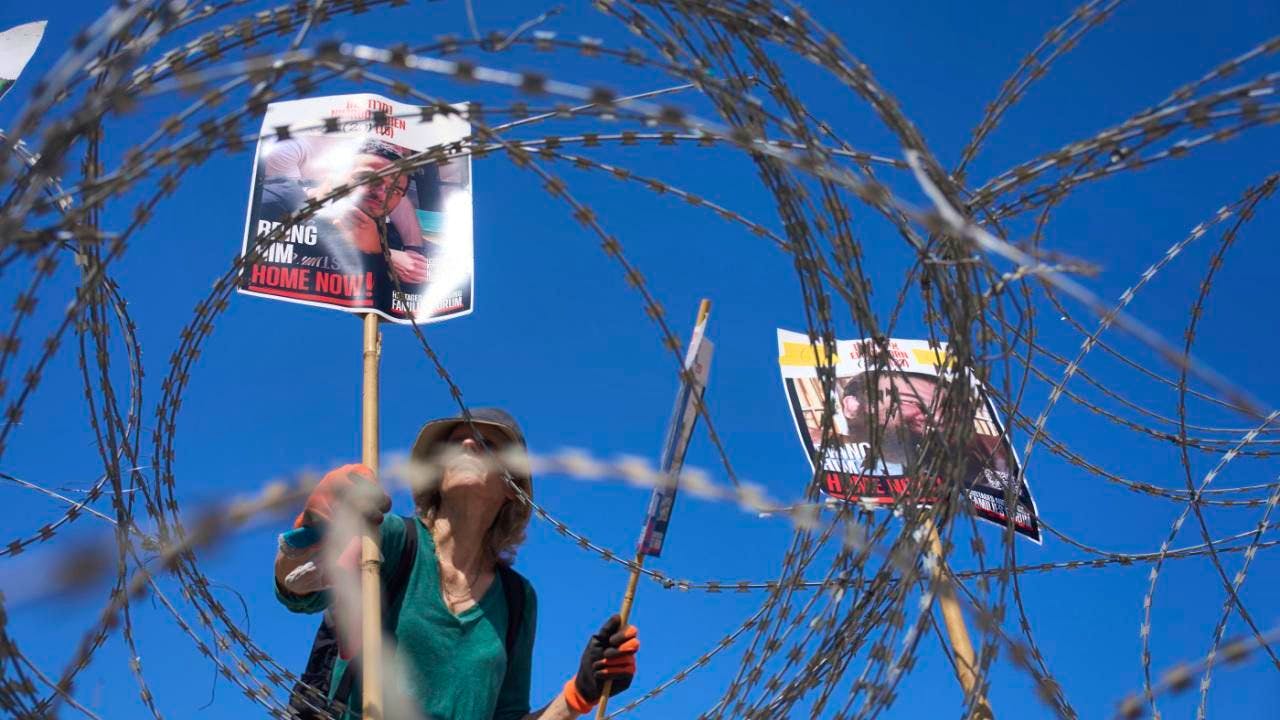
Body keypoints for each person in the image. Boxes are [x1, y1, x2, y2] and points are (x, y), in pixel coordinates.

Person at [274, 408, 640, 719]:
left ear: (511, 487)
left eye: (488, 444)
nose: (468, 445)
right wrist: (314, 528)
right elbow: (297, 588)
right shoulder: (390, 539)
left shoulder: (517, 600)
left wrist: (579, 693)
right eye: (456, 442)